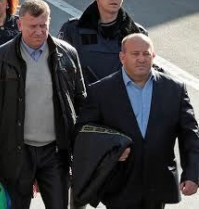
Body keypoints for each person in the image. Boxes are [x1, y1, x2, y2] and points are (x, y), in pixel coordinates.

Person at [0, 0, 86, 209]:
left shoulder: (67, 55)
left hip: (55, 153)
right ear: (19, 25)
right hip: (15, 153)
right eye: (33, 26)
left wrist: (82, 153)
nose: (39, 31)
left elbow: (81, 104)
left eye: (44, 25)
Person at [77, 34, 199, 209]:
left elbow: (190, 135)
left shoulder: (174, 89)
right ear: (122, 57)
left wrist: (192, 173)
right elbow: (83, 132)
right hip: (118, 185)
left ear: (153, 56)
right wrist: (110, 150)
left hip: (158, 184)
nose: (141, 59)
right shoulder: (101, 91)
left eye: (146, 54)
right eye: (135, 54)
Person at [58, 0, 147, 86]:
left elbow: (144, 76)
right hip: (84, 101)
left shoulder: (136, 34)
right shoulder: (73, 30)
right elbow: (60, 72)